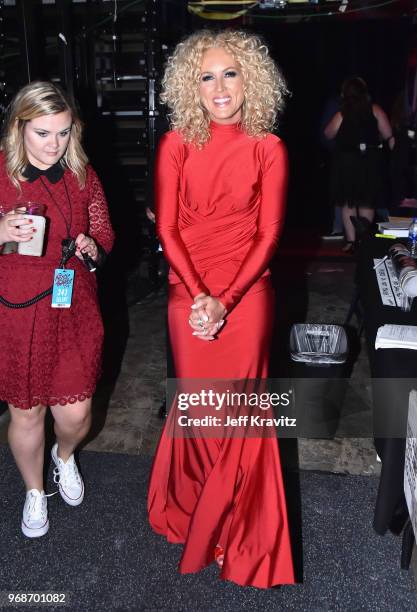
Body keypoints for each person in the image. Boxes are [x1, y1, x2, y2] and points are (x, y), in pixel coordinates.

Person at [147, 30, 295, 588]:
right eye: (206, 76)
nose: (219, 87)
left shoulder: (268, 148)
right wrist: (199, 295)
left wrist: (226, 300)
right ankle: (196, 512)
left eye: (230, 72)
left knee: (236, 413)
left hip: (247, 294)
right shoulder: (176, 144)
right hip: (188, 290)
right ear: (191, 85)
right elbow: (167, 227)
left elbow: (269, 235)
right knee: (200, 412)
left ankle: (237, 531)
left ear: (250, 78)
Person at [0, 81, 114, 537]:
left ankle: (62, 456)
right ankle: (33, 490)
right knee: (26, 413)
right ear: (19, 128)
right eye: (43, 133)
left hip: (72, 305)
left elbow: (105, 231)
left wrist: (92, 245)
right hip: (15, 308)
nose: (54, 144)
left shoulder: (82, 176)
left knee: (75, 415)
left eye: (63, 133)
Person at [324, 77, 394, 252]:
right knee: (366, 202)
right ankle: (363, 240)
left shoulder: (342, 113)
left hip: (347, 162)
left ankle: (351, 241)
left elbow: (328, 133)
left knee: (348, 203)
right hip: (369, 161)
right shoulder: (375, 110)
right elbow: (388, 134)